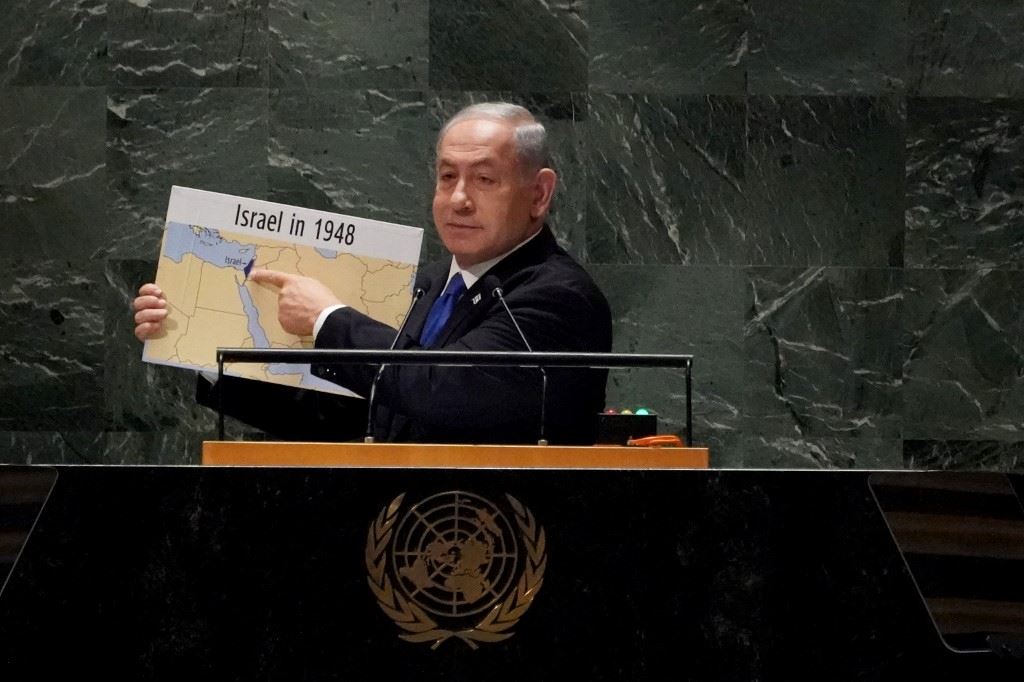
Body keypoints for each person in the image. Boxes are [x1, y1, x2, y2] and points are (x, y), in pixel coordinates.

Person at [134, 102, 612, 444]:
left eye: (484, 179)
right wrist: (200, 344)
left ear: (539, 194)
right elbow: (351, 414)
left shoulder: (559, 295)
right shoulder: (429, 284)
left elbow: (447, 390)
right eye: (448, 176)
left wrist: (327, 320)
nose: (459, 198)